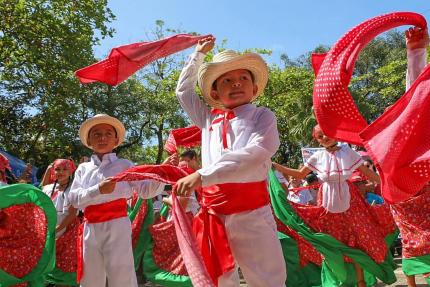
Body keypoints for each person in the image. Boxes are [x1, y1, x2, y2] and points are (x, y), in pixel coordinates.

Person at [174, 36, 286, 286]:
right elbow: (183, 91)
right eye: (226, 80)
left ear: (254, 88)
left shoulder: (262, 116)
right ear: (214, 92)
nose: (236, 83)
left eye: (243, 78)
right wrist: (197, 56)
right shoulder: (207, 119)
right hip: (215, 213)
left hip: (252, 212)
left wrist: (202, 175)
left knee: (267, 278)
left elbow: (257, 151)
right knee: (220, 278)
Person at [273, 125, 386, 287]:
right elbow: (299, 174)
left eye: (327, 134)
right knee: (331, 242)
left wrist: (385, 182)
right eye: (320, 137)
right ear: (317, 140)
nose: (325, 138)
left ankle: (361, 282)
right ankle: (337, 281)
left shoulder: (347, 151)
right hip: (326, 201)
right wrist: (277, 166)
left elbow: (366, 172)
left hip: (350, 200)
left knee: (357, 240)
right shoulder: (317, 156)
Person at [68, 114, 165, 287]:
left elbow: (145, 192)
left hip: (117, 225)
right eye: (96, 134)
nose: (102, 138)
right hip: (90, 226)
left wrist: (161, 173)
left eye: (108, 133)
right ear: (89, 140)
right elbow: (74, 199)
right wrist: (97, 190)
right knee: (90, 276)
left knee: (121, 273)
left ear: (116, 140)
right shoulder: (83, 168)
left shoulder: (124, 165)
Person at [389, 26, 430, 287]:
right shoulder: (417, 112)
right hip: (412, 181)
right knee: (411, 234)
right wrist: (416, 51)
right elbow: (415, 91)